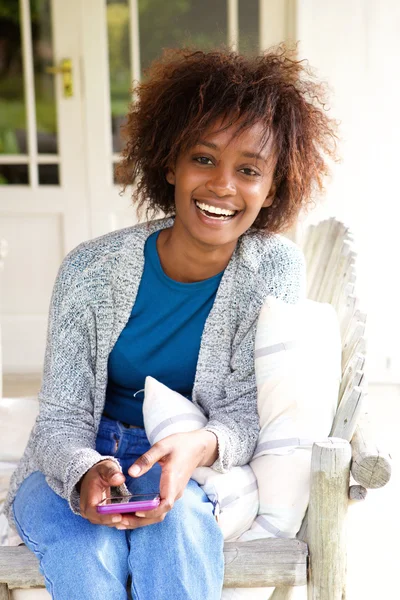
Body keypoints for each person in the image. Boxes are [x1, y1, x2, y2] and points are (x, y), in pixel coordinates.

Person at [5, 46, 337, 600]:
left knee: (178, 532)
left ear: (274, 186)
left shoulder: (273, 268)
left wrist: (198, 447)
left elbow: (249, 409)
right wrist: (86, 471)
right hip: (80, 454)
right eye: (203, 159)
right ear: (169, 163)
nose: (223, 186)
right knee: (88, 550)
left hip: (188, 459)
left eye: (249, 170)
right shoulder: (91, 269)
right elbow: (60, 416)